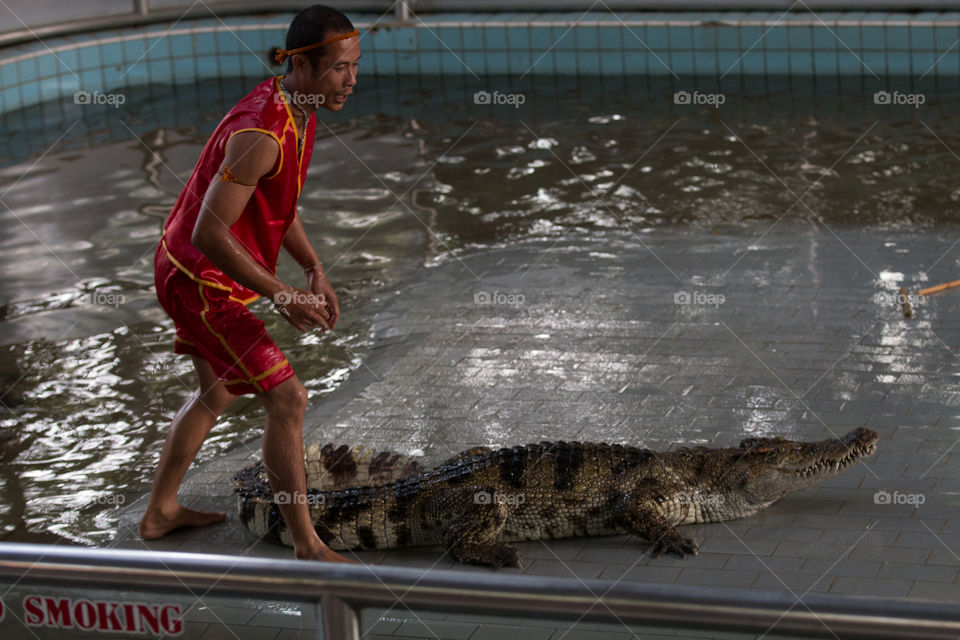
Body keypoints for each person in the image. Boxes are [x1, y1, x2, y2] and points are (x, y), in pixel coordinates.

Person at [139, 5, 361, 563]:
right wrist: (284, 295)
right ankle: (307, 545)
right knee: (287, 399)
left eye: (356, 66)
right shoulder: (262, 133)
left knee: (216, 392)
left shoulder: (298, 106)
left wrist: (312, 267)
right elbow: (210, 231)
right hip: (198, 276)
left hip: (187, 263)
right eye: (338, 68)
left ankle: (160, 512)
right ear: (304, 66)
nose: (351, 80)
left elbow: (276, 205)